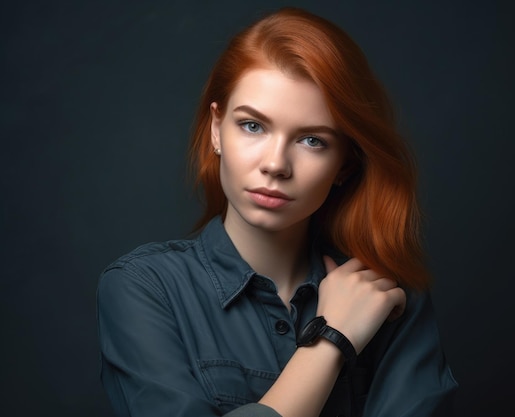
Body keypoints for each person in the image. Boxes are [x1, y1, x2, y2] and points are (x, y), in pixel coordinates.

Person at [97, 7, 457, 417]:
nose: (275, 164)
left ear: (345, 164)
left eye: (312, 141)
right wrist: (331, 339)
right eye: (253, 126)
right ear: (216, 129)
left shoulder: (390, 297)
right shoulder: (145, 288)